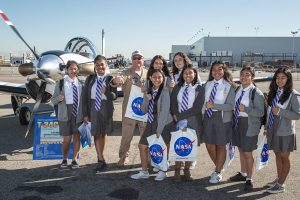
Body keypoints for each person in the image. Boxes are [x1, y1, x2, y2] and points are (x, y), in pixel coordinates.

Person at [130, 69, 173, 181]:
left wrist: (159, 130)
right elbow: (143, 110)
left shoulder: (165, 91)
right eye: (154, 77)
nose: (157, 79)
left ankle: (163, 171)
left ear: (163, 79)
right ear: (150, 78)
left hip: (163, 123)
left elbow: (164, 112)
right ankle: (144, 171)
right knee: (142, 146)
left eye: (160, 77)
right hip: (150, 122)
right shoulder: (148, 91)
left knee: (160, 148)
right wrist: (147, 99)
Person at [229, 66, 265, 191]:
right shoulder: (238, 89)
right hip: (238, 123)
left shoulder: (256, 93)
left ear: (252, 77)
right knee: (241, 150)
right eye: (242, 74)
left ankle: (249, 178)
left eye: (247, 75)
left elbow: (261, 112)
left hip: (249, 125)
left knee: (248, 152)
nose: (244, 77)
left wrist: (247, 109)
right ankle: (243, 173)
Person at [265, 67, 300, 194]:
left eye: (283, 77)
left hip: (285, 129)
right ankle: (279, 179)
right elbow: (269, 111)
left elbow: (297, 115)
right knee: (277, 154)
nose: (280, 80)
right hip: (273, 127)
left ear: (288, 79)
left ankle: (281, 185)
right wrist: (267, 126)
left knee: (284, 156)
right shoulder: (275, 92)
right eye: (278, 77)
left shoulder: (293, 94)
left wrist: (281, 112)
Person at [111, 50, 148, 166]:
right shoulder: (126, 72)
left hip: (144, 110)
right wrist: (116, 80)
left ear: (143, 59)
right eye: (134, 58)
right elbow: (116, 81)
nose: (137, 60)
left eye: (139, 58)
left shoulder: (148, 73)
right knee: (126, 136)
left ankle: (148, 158)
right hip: (129, 111)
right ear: (132, 60)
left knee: (146, 136)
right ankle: (123, 157)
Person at [170, 64, 205, 182]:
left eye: (190, 73)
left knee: (191, 146)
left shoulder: (199, 88)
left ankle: (187, 170)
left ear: (195, 74)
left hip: (193, 121)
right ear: (182, 75)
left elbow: (197, 108)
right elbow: (173, 104)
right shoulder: (177, 87)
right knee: (179, 145)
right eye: (185, 73)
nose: (188, 75)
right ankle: (177, 170)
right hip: (179, 121)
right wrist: (176, 115)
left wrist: (179, 116)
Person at [82, 55, 117, 172]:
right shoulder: (90, 79)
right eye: (97, 65)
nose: (100, 67)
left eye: (102, 64)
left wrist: (106, 91)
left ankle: (100, 157)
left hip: (106, 108)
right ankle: (100, 159)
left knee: (103, 134)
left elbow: (114, 96)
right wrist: (85, 114)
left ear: (106, 65)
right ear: (95, 67)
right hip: (93, 107)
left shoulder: (110, 79)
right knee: (97, 133)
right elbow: (84, 97)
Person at [202, 60, 235, 183]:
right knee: (209, 144)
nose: (216, 72)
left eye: (219, 69)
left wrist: (215, 106)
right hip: (208, 118)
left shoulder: (229, 86)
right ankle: (220, 166)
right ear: (211, 71)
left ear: (224, 71)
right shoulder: (207, 84)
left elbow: (231, 106)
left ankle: (217, 171)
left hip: (222, 119)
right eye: (214, 69)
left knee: (221, 145)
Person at [51, 60, 83, 169]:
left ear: (77, 70)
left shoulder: (81, 83)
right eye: (71, 69)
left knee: (77, 138)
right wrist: (58, 98)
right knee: (67, 139)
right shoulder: (60, 83)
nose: (73, 71)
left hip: (78, 113)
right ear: (67, 70)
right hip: (65, 113)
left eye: (75, 69)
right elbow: (53, 100)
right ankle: (64, 159)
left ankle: (74, 159)